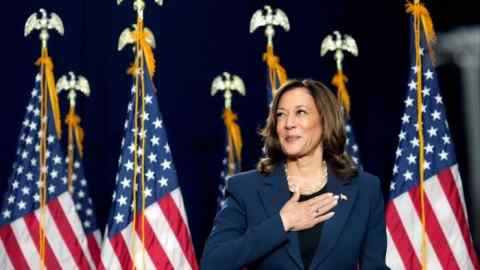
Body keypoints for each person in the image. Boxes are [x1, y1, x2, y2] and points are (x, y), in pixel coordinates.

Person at [201, 79, 390, 270]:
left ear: (325, 121)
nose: (289, 123)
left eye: (301, 112)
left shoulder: (365, 189)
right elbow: (213, 263)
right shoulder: (245, 188)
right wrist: (283, 222)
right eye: (281, 115)